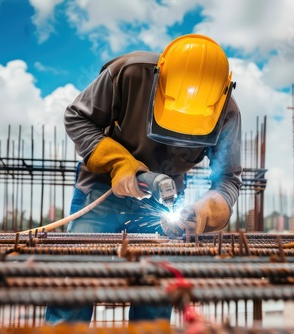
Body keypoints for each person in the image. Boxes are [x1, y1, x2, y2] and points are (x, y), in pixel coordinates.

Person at [45, 34, 242, 324]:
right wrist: (119, 164)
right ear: (159, 78)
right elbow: (77, 117)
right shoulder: (129, 73)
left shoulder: (227, 113)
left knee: (156, 294)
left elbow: (227, 180)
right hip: (102, 190)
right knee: (75, 281)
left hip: (165, 203)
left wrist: (202, 213)